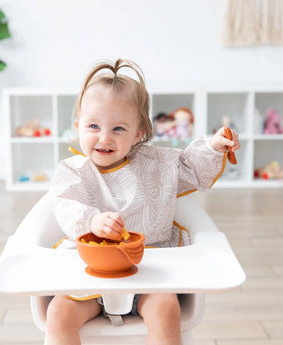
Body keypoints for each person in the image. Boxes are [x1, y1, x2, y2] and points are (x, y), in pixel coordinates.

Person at [45, 58, 240, 345]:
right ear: (78, 125)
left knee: (165, 309)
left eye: (118, 129)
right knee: (58, 313)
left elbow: (190, 167)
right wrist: (92, 221)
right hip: (90, 271)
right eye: (93, 126)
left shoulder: (156, 163)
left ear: (139, 133)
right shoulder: (73, 171)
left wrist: (213, 146)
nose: (104, 138)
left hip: (150, 270)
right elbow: (66, 204)